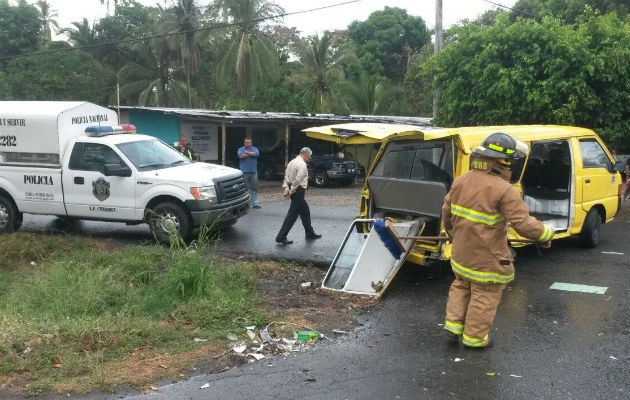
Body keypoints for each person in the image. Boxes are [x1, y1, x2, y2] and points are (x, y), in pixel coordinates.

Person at [442, 132, 553, 349]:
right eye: (510, 162)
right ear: (502, 162)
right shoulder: (504, 190)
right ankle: (475, 339)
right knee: (485, 294)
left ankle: (453, 326)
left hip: (461, 254)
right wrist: (545, 235)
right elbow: (523, 223)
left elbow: (446, 213)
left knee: (461, 285)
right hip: (487, 258)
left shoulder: (461, 181)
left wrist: (453, 235)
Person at [275, 147, 321, 245]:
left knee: (305, 211)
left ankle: (309, 232)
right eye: (309, 156)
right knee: (292, 215)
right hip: (298, 190)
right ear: (305, 155)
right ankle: (281, 237)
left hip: (293, 189)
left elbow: (286, 177)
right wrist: (291, 191)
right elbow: (297, 180)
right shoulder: (302, 165)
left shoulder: (291, 162)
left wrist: (286, 188)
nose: (309, 158)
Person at [238, 138, 261, 209]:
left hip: (253, 171)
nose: (248, 144)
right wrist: (251, 154)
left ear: (251, 143)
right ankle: (245, 203)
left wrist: (246, 153)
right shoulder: (240, 149)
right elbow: (240, 156)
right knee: (245, 188)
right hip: (244, 171)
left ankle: (255, 203)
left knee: (254, 188)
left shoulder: (254, 148)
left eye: (249, 142)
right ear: (244, 143)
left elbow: (257, 154)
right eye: (246, 142)